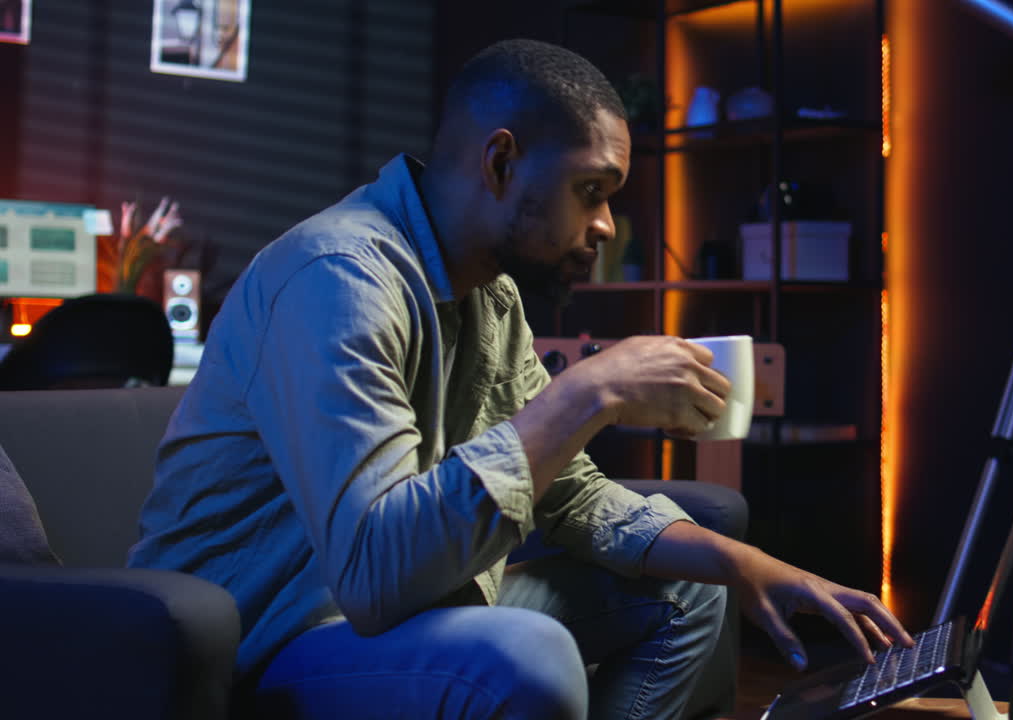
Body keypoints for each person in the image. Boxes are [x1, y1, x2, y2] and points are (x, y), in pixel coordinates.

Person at [128, 38, 912, 720]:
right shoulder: (338, 278)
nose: (605, 225)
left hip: (404, 614)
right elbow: (373, 574)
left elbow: (568, 494)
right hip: (265, 641)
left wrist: (754, 567)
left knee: (693, 590)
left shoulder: (488, 296)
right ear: (501, 163)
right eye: (591, 191)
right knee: (524, 655)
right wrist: (589, 392)